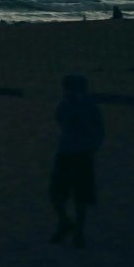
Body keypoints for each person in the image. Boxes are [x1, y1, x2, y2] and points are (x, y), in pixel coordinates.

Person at [49, 74, 104, 249]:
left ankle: (78, 233)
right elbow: (60, 121)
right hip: (66, 153)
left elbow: (99, 131)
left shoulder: (91, 108)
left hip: (81, 154)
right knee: (57, 195)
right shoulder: (64, 106)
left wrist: (92, 147)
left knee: (80, 198)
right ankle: (65, 222)